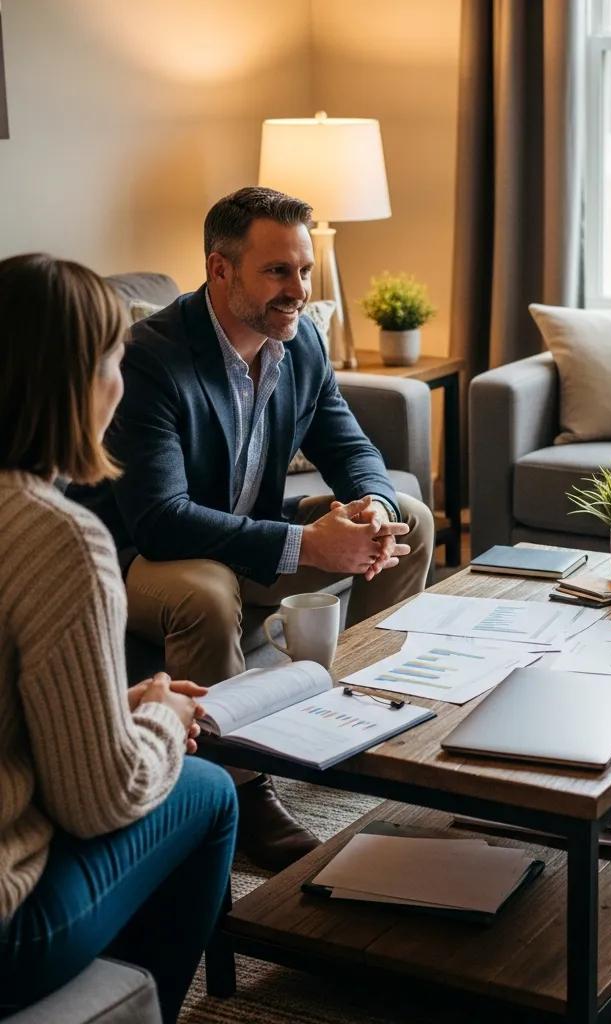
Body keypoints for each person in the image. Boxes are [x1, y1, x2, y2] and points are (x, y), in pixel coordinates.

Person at [70, 187, 434, 871]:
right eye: (278, 272)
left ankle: (365, 722)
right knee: (205, 590)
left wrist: (374, 508)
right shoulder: (151, 358)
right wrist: (306, 544)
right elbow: (161, 518)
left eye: (302, 271)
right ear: (220, 270)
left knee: (410, 518)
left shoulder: (300, 344)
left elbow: (350, 448)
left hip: (243, 532)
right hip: (142, 554)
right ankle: (242, 796)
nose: (297, 289)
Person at [0, 253, 237, 1021]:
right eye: (113, 359)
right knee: (208, 791)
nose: (121, 382)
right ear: (73, 382)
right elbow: (101, 799)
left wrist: (109, 702)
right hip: (6, 933)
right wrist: (162, 718)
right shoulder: (56, 536)